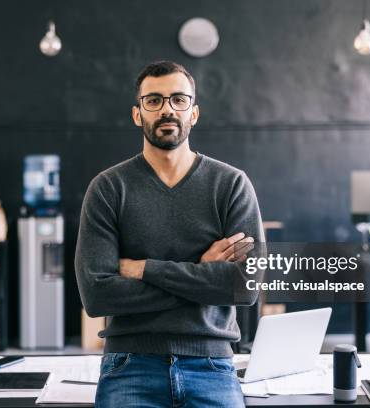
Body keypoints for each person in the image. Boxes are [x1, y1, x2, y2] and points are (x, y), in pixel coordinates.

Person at [75, 60, 264, 407]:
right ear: (137, 114)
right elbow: (97, 296)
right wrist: (202, 272)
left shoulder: (231, 185)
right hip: (129, 364)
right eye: (154, 101)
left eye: (179, 100)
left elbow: (245, 288)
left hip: (211, 364)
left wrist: (144, 268)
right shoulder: (108, 188)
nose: (167, 110)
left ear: (194, 113)